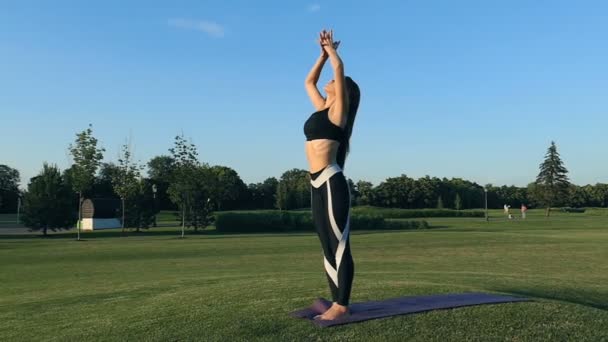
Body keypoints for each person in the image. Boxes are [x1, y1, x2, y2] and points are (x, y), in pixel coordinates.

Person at [303, 29, 360, 321]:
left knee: (339, 243)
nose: (329, 82)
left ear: (343, 91)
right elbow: (308, 81)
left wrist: (333, 53)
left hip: (330, 181)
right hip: (314, 183)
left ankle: (342, 304)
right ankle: (335, 300)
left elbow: (339, 69)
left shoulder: (340, 113)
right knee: (326, 244)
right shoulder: (321, 110)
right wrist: (322, 56)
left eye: (336, 83)